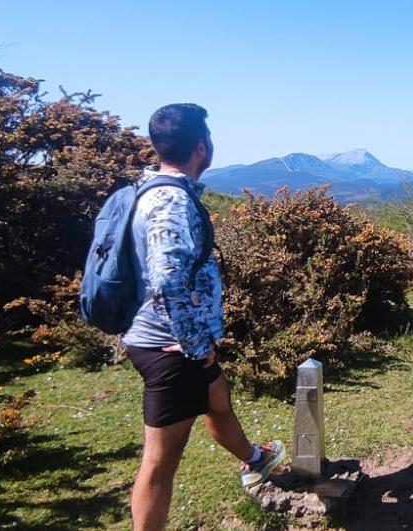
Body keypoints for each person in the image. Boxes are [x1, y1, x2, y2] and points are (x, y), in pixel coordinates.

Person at [122, 103, 285, 531]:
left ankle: (254, 459)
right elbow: (168, 279)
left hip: (170, 340)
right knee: (160, 462)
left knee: (217, 401)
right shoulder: (170, 202)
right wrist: (197, 348)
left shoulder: (153, 190)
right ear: (201, 146)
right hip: (170, 348)